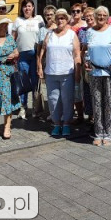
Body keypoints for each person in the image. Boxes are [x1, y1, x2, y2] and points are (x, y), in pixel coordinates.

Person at [38, 8, 81, 138]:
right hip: (51, 72)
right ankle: (57, 124)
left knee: (67, 99)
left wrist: (77, 72)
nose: (60, 20)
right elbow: (42, 52)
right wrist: (40, 67)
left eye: (63, 18)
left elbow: (77, 55)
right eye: (58, 18)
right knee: (53, 99)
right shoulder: (49, 34)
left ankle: (66, 123)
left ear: (67, 20)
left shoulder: (71, 35)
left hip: (67, 72)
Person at [85, 6, 111, 145]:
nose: (101, 17)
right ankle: (98, 133)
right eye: (98, 15)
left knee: (108, 102)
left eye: (104, 15)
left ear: (107, 17)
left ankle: (108, 133)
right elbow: (86, 50)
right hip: (95, 72)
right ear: (95, 16)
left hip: (109, 72)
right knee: (97, 103)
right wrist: (85, 62)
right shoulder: (89, 32)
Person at [12, 0, 43, 119]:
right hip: (22, 55)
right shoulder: (18, 20)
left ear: (33, 8)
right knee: (23, 82)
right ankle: (23, 108)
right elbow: (13, 38)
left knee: (35, 82)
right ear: (22, 8)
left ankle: (36, 108)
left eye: (29, 6)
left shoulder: (39, 19)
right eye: (25, 6)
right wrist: (14, 51)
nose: (27, 8)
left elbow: (43, 34)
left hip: (35, 54)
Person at [35, 4, 56, 120]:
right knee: (50, 89)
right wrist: (39, 66)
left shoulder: (58, 27)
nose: (49, 17)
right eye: (47, 15)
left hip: (58, 61)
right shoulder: (42, 31)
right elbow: (38, 51)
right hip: (46, 62)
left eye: (51, 14)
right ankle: (52, 112)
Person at [77, 7, 96, 123]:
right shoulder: (82, 31)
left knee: (96, 91)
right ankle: (90, 115)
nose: (88, 18)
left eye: (91, 15)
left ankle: (98, 114)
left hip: (98, 65)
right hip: (86, 65)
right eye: (86, 16)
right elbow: (79, 49)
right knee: (87, 90)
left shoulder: (99, 30)